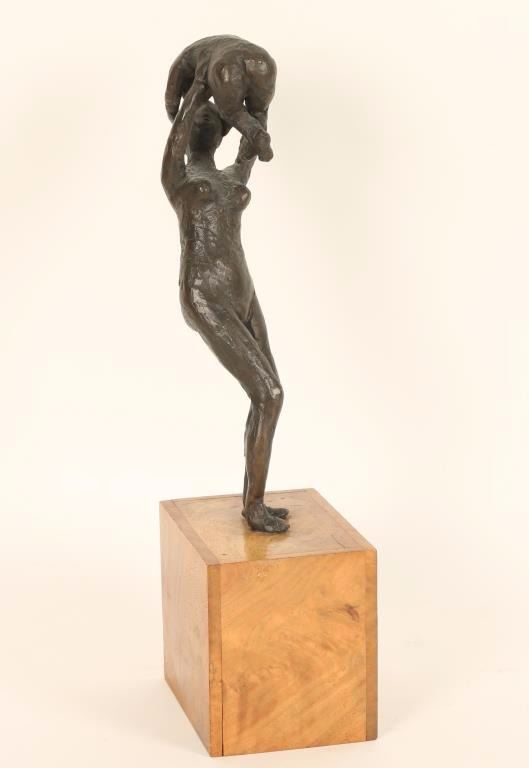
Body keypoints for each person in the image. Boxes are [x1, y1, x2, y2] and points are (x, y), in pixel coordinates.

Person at [161, 69, 289, 533]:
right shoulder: (178, 177)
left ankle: (255, 502)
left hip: (243, 293)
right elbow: (174, 142)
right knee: (268, 393)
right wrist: (200, 84)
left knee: (269, 397)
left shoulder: (232, 175)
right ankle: (254, 508)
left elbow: (254, 137)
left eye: (213, 119)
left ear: (222, 132)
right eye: (198, 118)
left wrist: (255, 107)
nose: (205, 122)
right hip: (205, 294)